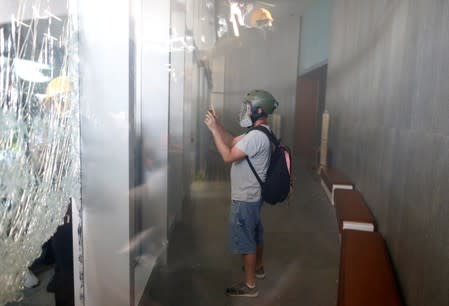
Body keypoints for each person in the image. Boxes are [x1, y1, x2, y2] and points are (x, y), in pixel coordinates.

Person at [204, 89, 279, 297]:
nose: (244, 111)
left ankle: (250, 285)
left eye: (247, 107)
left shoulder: (255, 137)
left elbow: (228, 155)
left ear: (258, 110)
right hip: (253, 196)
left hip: (245, 197)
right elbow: (231, 141)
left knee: (246, 241)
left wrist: (212, 131)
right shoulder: (261, 133)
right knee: (256, 233)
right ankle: (258, 268)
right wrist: (218, 126)